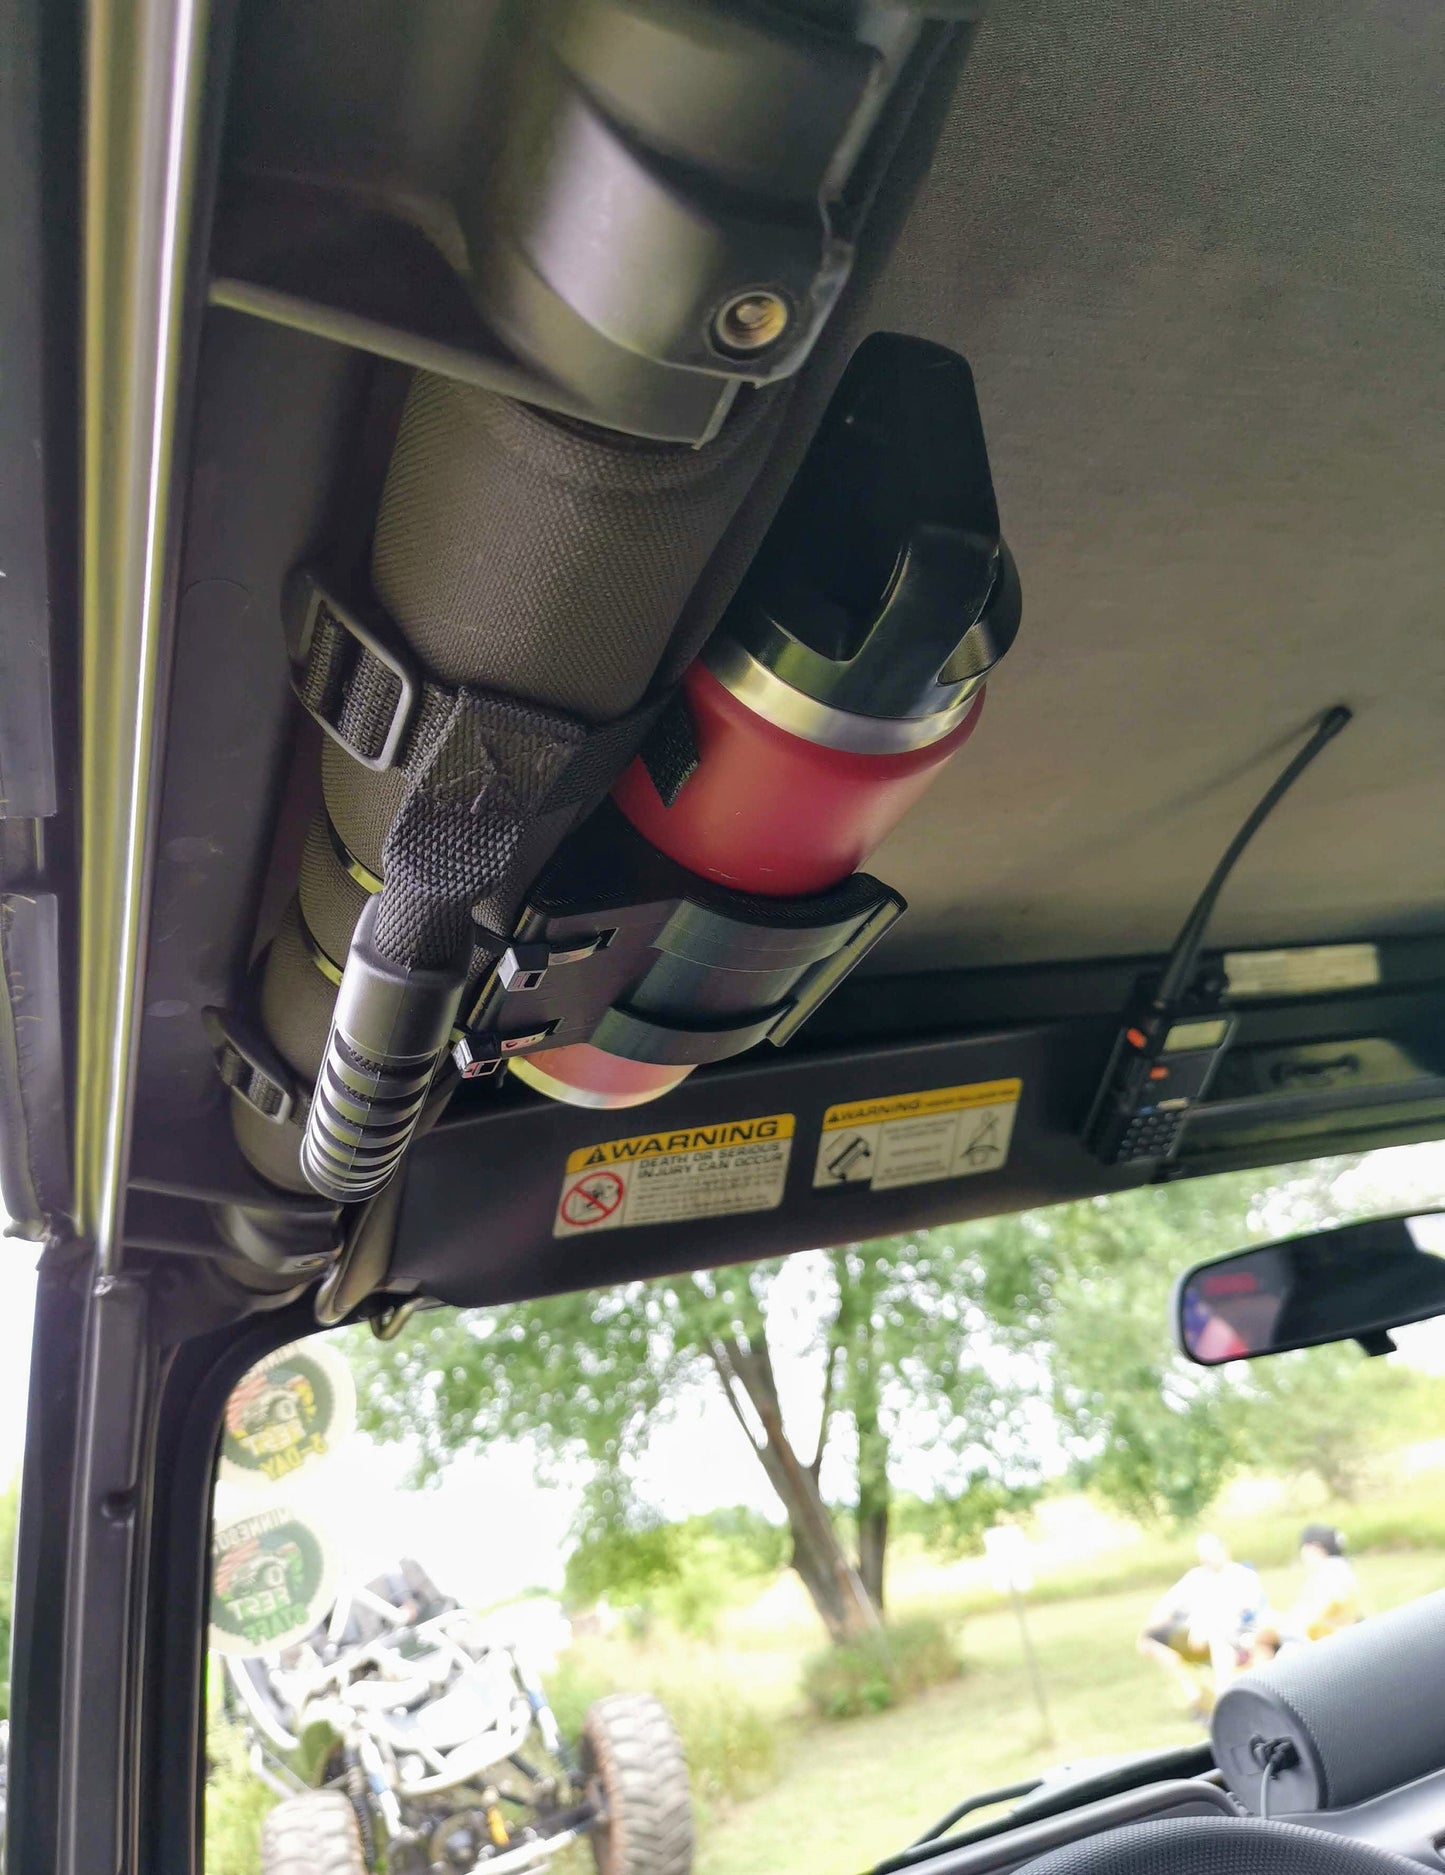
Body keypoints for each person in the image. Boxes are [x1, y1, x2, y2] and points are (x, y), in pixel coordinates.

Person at [1137, 1535, 1266, 1716]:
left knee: (1218, 1638)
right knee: (1150, 1640)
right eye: (1203, 1554)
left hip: (1234, 1638)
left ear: (1224, 1549)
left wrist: (1205, 1628)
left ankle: (1223, 1702)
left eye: (1211, 1551)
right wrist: (1146, 1633)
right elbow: (1165, 1606)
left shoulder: (1242, 1576)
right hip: (1194, 1638)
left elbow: (1239, 1616)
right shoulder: (1195, 1578)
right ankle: (1197, 1698)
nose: (1207, 1557)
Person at [1251, 1523, 1362, 1660]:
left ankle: (1262, 1680)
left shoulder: (1326, 1574)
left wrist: (1279, 1624)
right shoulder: (1342, 1569)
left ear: (1313, 1548)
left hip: (1315, 1643)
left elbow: (1312, 1622)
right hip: (1337, 1637)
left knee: (1262, 1639)